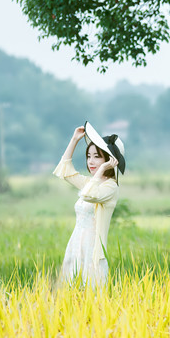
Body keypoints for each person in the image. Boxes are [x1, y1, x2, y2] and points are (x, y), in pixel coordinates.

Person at [52, 121, 126, 288]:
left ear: (109, 160)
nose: (91, 161)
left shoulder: (110, 187)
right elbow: (66, 173)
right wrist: (74, 140)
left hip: (93, 250)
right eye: (88, 156)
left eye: (97, 156)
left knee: (91, 296)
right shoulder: (91, 182)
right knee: (70, 295)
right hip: (76, 245)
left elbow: (88, 195)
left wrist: (100, 172)